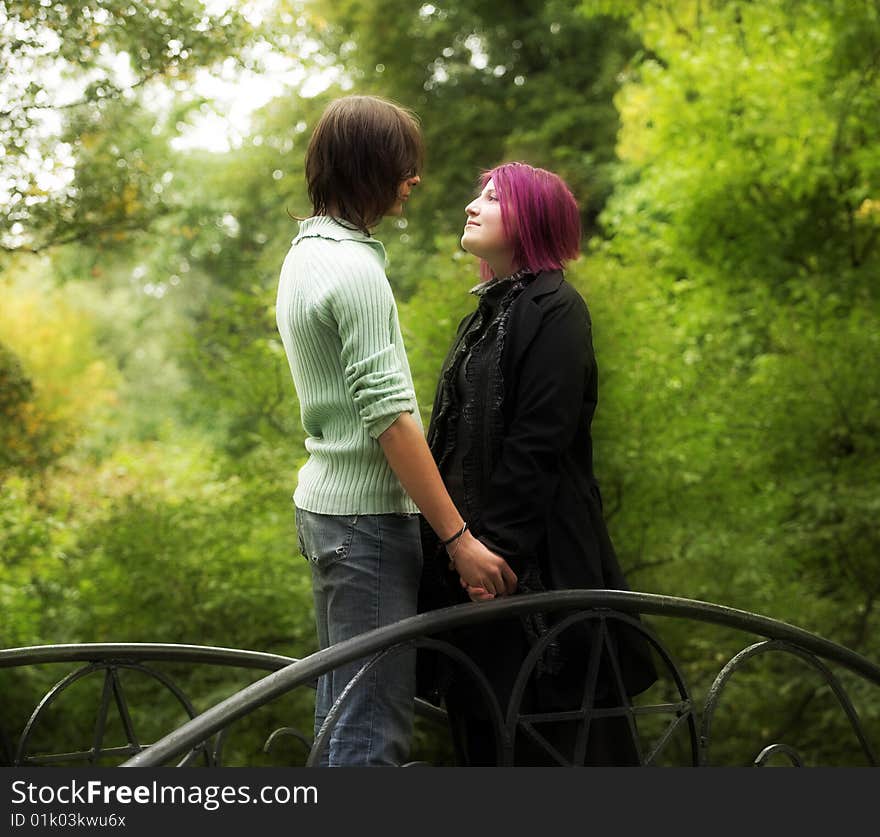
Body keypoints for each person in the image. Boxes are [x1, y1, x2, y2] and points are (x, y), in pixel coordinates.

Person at [275, 95, 517, 767]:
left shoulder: (305, 256)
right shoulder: (355, 272)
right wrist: (459, 537)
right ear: (372, 166)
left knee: (340, 714)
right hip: (367, 524)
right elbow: (389, 417)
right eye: (406, 166)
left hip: (326, 513)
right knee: (370, 734)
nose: (414, 179)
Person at [418, 162, 657, 766]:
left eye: (493, 197)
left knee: (562, 743)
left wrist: (490, 553)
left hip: (538, 572)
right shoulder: (483, 319)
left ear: (532, 219)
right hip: (477, 577)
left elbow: (537, 442)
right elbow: (450, 444)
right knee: (489, 741)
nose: (473, 205)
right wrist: (455, 553)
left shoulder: (556, 307)